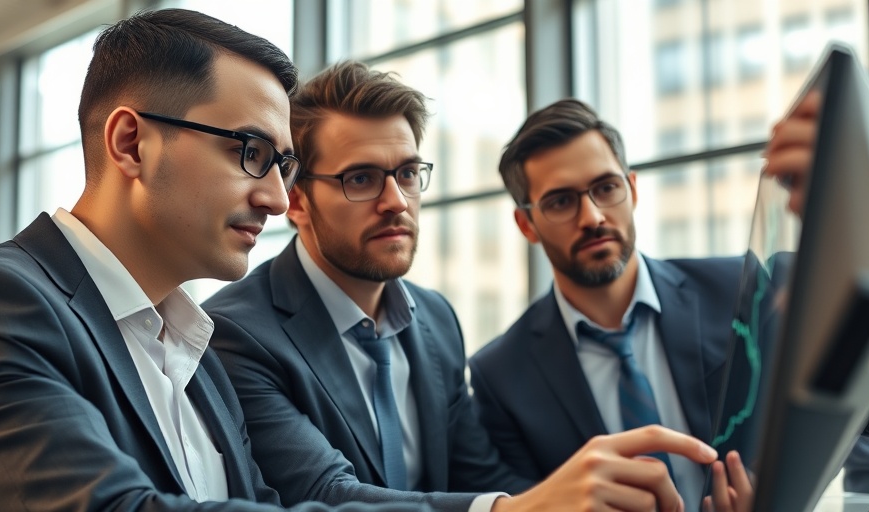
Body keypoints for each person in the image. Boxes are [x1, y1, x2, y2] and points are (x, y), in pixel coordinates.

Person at [204, 61, 720, 512]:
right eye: (360, 179)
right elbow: (325, 495)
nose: (396, 202)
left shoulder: (435, 320)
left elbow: (479, 477)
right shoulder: (237, 333)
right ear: (296, 202)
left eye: (407, 174)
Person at [0, 8, 442, 511]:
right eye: (250, 152)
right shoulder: (0, 300)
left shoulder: (199, 359)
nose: (279, 200)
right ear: (131, 144)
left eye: (282, 167)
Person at [467, 98, 751, 510]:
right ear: (526, 224)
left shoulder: (737, 291)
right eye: (561, 201)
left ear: (632, 189)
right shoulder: (500, 376)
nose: (593, 217)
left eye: (606, 188)